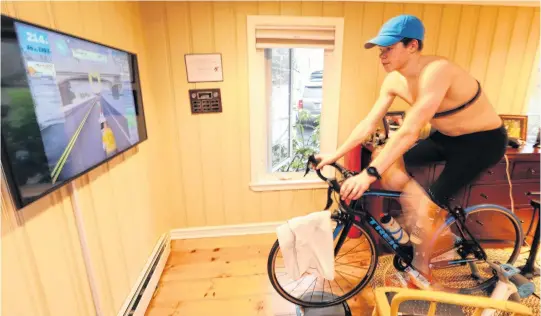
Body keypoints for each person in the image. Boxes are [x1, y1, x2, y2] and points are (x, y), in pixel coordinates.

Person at [314, 14, 507, 288]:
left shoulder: (437, 71)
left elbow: (409, 130)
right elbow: (368, 124)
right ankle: (417, 213)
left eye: (389, 48)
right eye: (381, 50)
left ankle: (422, 271)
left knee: (427, 208)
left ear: (412, 46)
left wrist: (368, 175)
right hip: (447, 138)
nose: (382, 56)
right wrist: (334, 154)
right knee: (386, 158)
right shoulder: (394, 80)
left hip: (481, 142)